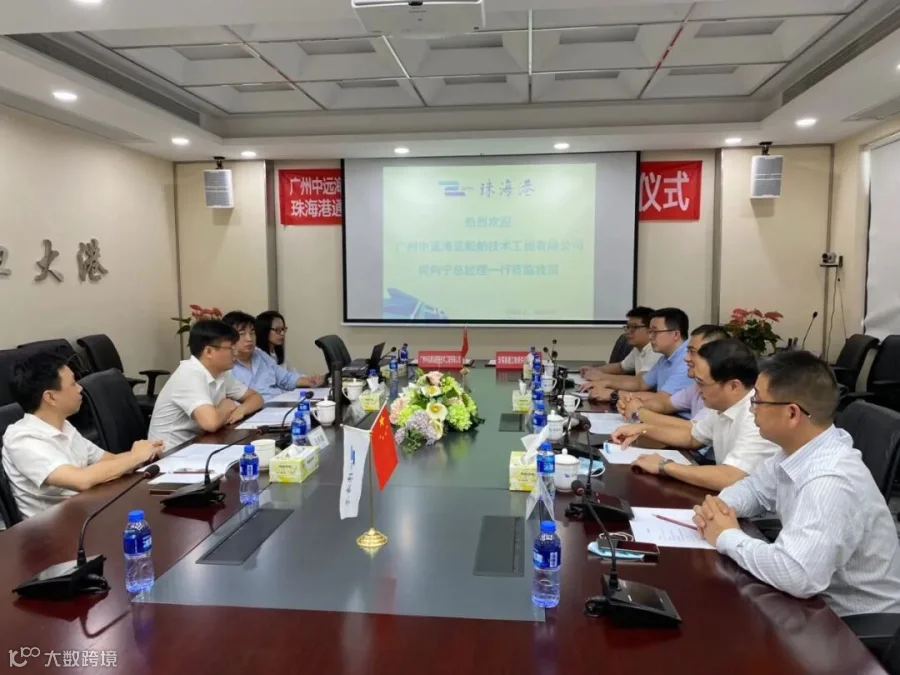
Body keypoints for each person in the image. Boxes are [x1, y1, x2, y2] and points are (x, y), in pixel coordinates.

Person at [693, 351, 900, 617]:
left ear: (792, 413)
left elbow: (796, 575)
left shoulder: (830, 480)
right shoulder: (799, 448)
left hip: (851, 622)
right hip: (812, 602)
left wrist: (726, 536)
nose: (751, 408)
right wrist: (721, 507)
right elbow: (754, 489)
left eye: (757, 400)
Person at [2, 352, 162, 520]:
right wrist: (135, 457)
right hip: (50, 529)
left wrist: (145, 452)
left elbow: (109, 460)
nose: (80, 388)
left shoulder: (64, 426)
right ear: (51, 397)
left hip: (86, 512)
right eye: (73, 384)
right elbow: (81, 480)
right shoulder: (23, 440)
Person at [612, 339, 779, 491]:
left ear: (734, 386)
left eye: (701, 383)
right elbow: (693, 437)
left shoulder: (757, 415)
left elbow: (731, 476)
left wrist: (664, 466)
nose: (697, 390)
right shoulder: (722, 405)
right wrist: (644, 429)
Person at [148, 319, 264, 450]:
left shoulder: (220, 373)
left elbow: (256, 398)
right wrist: (227, 406)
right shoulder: (189, 374)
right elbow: (210, 423)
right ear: (209, 352)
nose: (235, 353)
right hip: (169, 453)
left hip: (199, 444)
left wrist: (241, 410)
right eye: (230, 348)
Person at [617, 324, 730, 429]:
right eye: (687, 351)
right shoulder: (697, 386)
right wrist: (633, 405)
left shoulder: (723, 388)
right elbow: (665, 404)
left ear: (715, 355)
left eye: (692, 352)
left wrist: (639, 412)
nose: (686, 358)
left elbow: (693, 430)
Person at [582, 307, 694, 402]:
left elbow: (662, 400)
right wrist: (605, 383)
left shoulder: (687, 361)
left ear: (675, 334)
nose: (650, 337)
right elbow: (640, 383)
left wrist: (613, 394)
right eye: (650, 332)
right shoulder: (665, 358)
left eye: (655, 332)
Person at [224, 311, 324, 401]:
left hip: (279, 404)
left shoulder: (260, 355)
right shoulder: (226, 367)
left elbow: (285, 378)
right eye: (242, 334)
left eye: (252, 333)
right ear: (227, 338)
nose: (249, 339)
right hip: (256, 411)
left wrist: (308, 381)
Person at [580, 307, 659, 386]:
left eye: (634, 327)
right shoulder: (638, 348)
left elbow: (640, 381)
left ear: (650, 329)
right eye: (628, 327)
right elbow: (621, 367)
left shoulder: (655, 351)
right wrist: (595, 370)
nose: (628, 332)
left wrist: (601, 376)